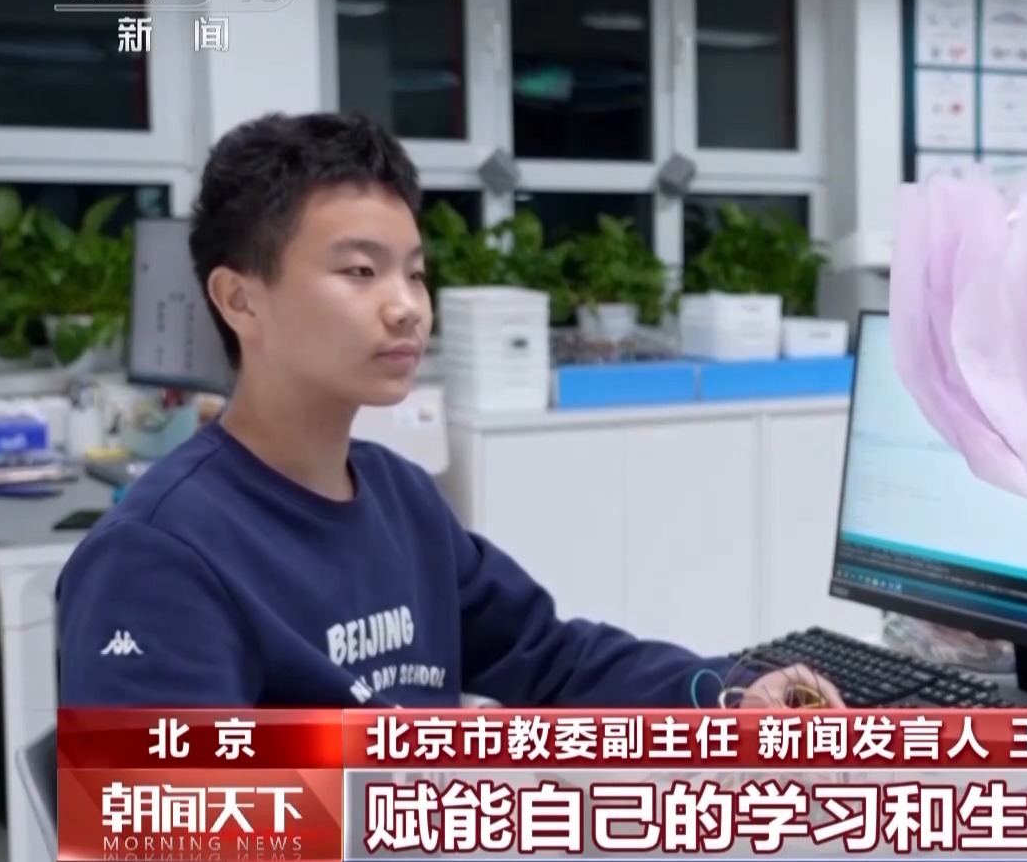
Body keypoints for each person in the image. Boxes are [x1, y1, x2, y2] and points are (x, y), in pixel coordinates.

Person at [55, 112, 842, 711]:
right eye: (360, 271)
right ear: (239, 299)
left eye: (415, 273)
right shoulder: (158, 556)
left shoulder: (400, 499)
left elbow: (550, 657)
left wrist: (730, 692)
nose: (406, 307)